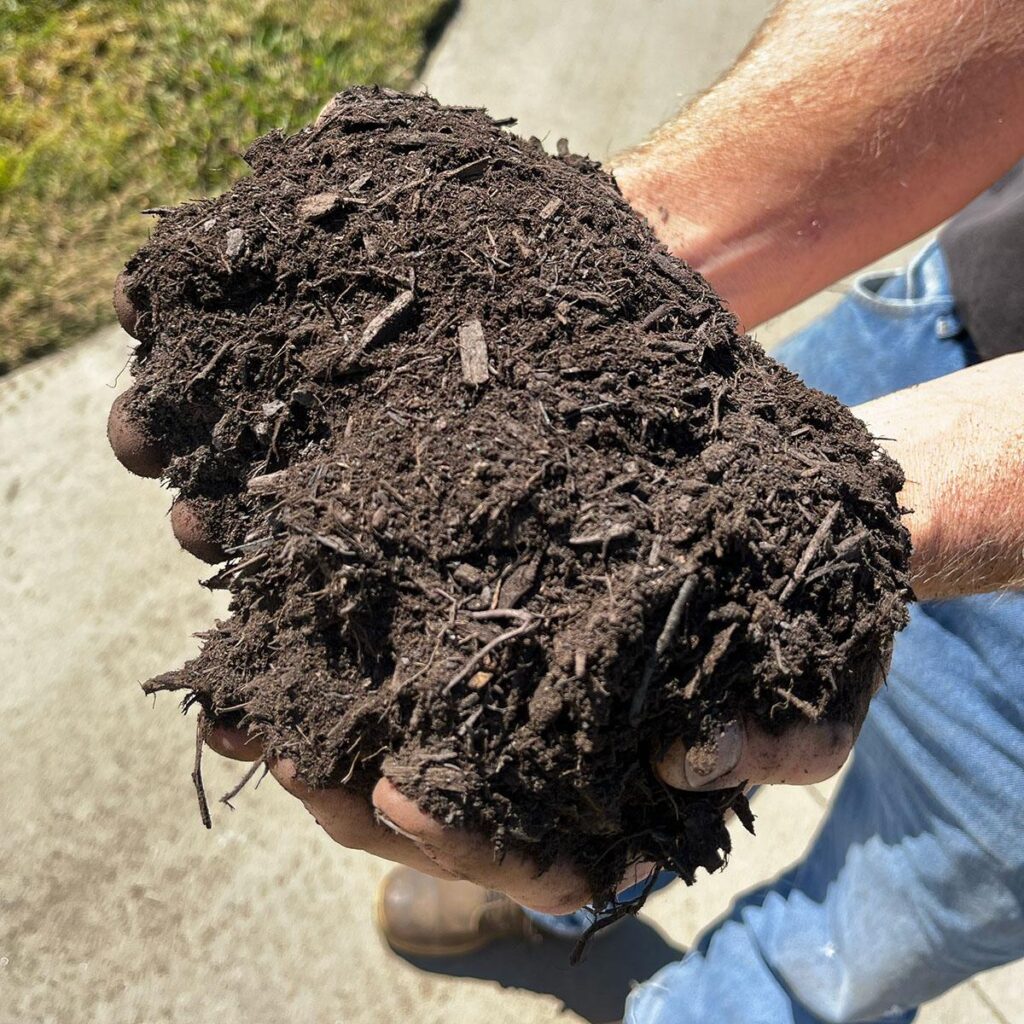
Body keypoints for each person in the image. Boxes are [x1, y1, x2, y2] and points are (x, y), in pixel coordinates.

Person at [108, 0, 1024, 1019]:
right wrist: (598, 240)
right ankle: (560, 903)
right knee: (618, 752)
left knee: (846, 944)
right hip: (958, 313)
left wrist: (825, 527)